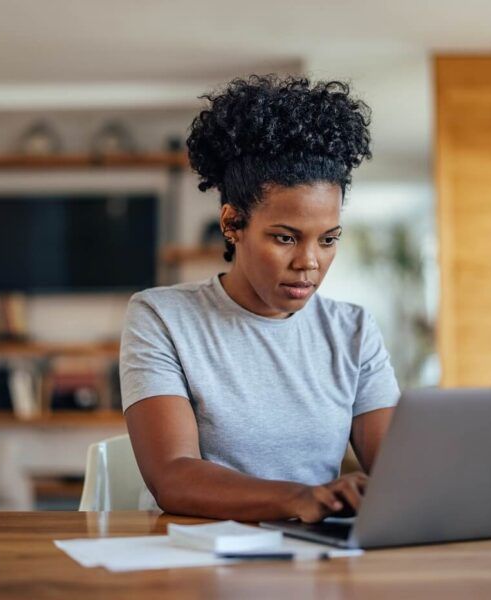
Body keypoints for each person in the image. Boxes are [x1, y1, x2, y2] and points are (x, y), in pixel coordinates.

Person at [119, 75, 399, 523]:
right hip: (197, 559)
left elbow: (398, 473)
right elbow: (173, 476)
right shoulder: (162, 317)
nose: (309, 262)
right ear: (232, 223)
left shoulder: (353, 331)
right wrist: (302, 498)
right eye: (285, 237)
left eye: (328, 239)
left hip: (318, 556)